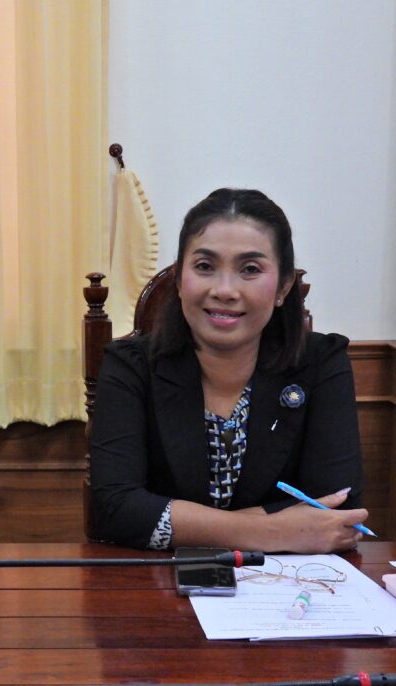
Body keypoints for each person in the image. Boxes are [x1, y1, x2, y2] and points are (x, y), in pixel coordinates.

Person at [89, 188, 369, 553]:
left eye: (250, 269)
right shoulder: (130, 365)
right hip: (157, 577)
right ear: (179, 280)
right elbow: (114, 509)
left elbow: (339, 504)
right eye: (205, 267)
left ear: (283, 286)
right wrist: (275, 531)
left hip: (288, 580)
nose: (224, 290)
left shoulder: (321, 362)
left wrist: (183, 523)